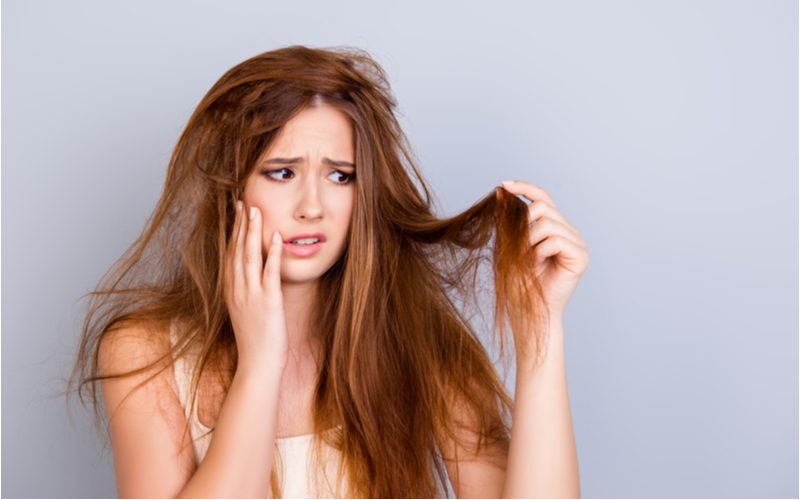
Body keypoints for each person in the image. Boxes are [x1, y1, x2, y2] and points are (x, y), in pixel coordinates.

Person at [67, 45, 588, 498]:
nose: (311, 206)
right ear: (232, 188)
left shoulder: (420, 345)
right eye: (282, 172)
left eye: (340, 176)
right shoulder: (144, 354)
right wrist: (260, 361)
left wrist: (539, 327)